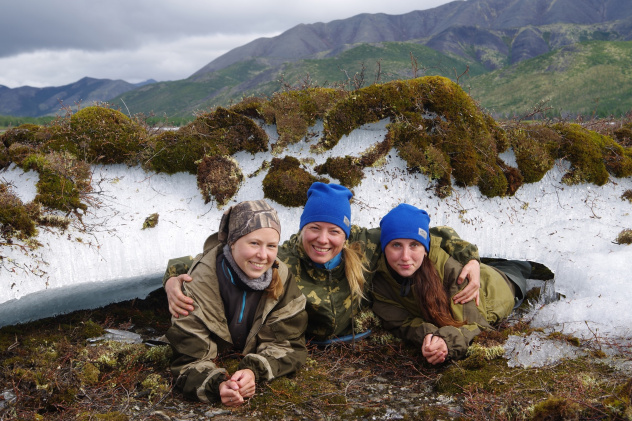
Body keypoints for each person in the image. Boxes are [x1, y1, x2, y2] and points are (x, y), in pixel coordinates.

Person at [164, 182, 483, 342]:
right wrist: (173, 278)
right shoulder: (284, 258)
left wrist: (471, 259)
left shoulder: (364, 244)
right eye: (314, 228)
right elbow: (220, 257)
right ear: (303, 227)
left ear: (345, 233)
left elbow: (430, 232)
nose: (323, 239)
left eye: (334, 231)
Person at [165, 200, 308, 406]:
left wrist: (253, 371)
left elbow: (289, 343)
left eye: (271, 246)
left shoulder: (282, 278)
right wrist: (219, 386)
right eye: (254, 243)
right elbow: (189, 358)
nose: (263, 255)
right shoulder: (198, 283)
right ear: (232, 242)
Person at [371, 204, 530, 364]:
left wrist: (448, 341)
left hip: (503, 283)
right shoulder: (380, 283)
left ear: (425, 249)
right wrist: (427, 334)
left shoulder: (453, 270)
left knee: (522, 268)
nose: (405, 256)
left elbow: (477, 326)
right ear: (385, 248)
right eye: (396, 245)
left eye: (414, 245)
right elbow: (401, 323)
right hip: (487, 271)